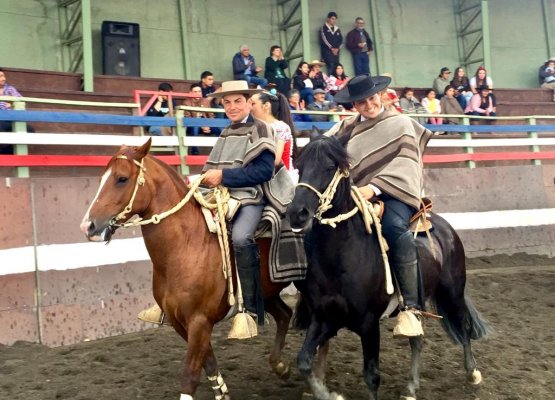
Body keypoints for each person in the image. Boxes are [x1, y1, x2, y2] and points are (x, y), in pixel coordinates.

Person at [326, 74, 434, 338]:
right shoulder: (344, 128)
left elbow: (407, 162)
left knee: (395, 228)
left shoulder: (401, 123)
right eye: (360, 102)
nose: (368, 105)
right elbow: (322, 150)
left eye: (371, 98)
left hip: (394, 193)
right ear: (353, 105)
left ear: (381, 96)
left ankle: (411, 306)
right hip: (353, 195)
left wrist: (373, 188)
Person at [202, 80, 292, 326]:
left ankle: (250, 308)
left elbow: (263, 171)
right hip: (222, 195)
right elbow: (212, 168)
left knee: (241, 237)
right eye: (227, 102)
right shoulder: (225, 132)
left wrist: (223, 176)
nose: (232, 107)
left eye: (238, 101)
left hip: (252, 196)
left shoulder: (261, 129)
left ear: (248, 103)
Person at [250, 91, 295, 171]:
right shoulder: (253, 126)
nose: (249, 107)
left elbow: (275, 160)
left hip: (279, 179)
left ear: (266, 106)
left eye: (253, 104)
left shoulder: (280, 127)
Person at [183, 83, 219, 155]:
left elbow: (211, 116)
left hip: (206, 124)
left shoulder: (205, 101)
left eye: (199, 91)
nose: (198, 93)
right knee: (195, 126)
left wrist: (208, 125)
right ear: (191, 93)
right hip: (193, 126)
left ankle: (221, 149)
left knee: (218, 128)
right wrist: (201, 126)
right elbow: (188, 119)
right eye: (195, 92)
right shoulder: (186, 102)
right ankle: (195, 150)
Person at [0, 68, 24, 154]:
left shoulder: (10, 89)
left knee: (30, 130)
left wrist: (12, 104)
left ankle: (6, 152)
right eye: (0, 76)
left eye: (4, 76)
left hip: (12, 118)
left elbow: (21, 101)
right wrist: (4, 104)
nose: (4, 79)